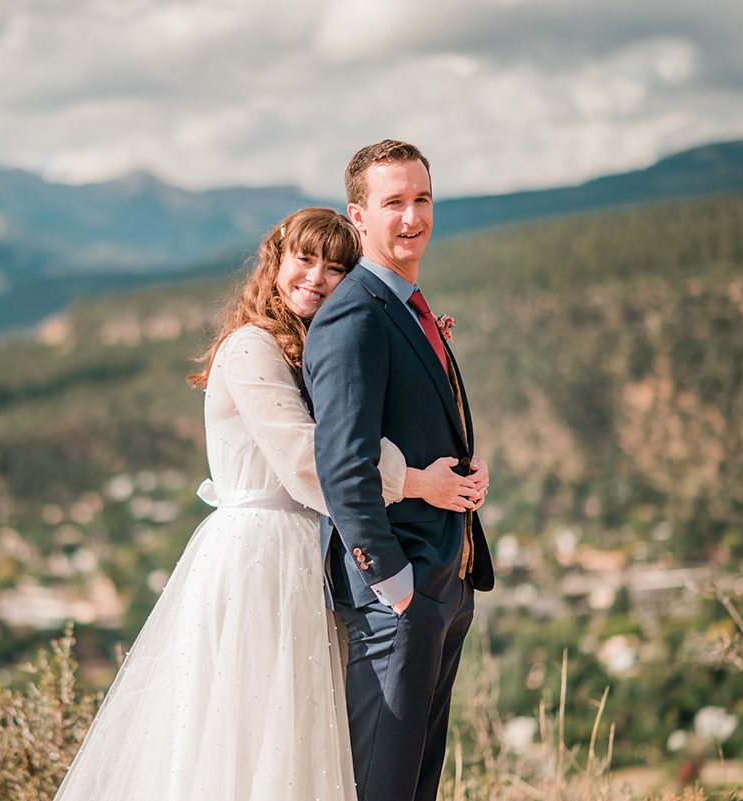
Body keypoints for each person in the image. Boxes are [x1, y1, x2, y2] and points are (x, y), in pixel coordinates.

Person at [53, 207, 417, 801]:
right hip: (260, 556)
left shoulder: (308, 348)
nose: (316, 278)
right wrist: (414, 480)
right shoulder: (251, 348)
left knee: (298, 727)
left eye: (334, 267)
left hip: (305, 553)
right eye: (305, 259)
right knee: (248, 729)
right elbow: (307, 460)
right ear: (276, 260)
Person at [304, 140, 496, 801]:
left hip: (444, 579)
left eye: (422, 200)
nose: (412, 217)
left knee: (416, 786)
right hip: (397, 593)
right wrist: (395, 585)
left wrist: (467, 472)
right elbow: (342, 461)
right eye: (394, 203)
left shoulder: (407, 305)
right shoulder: (354, 313)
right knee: (381, 787)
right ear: (358, 216)